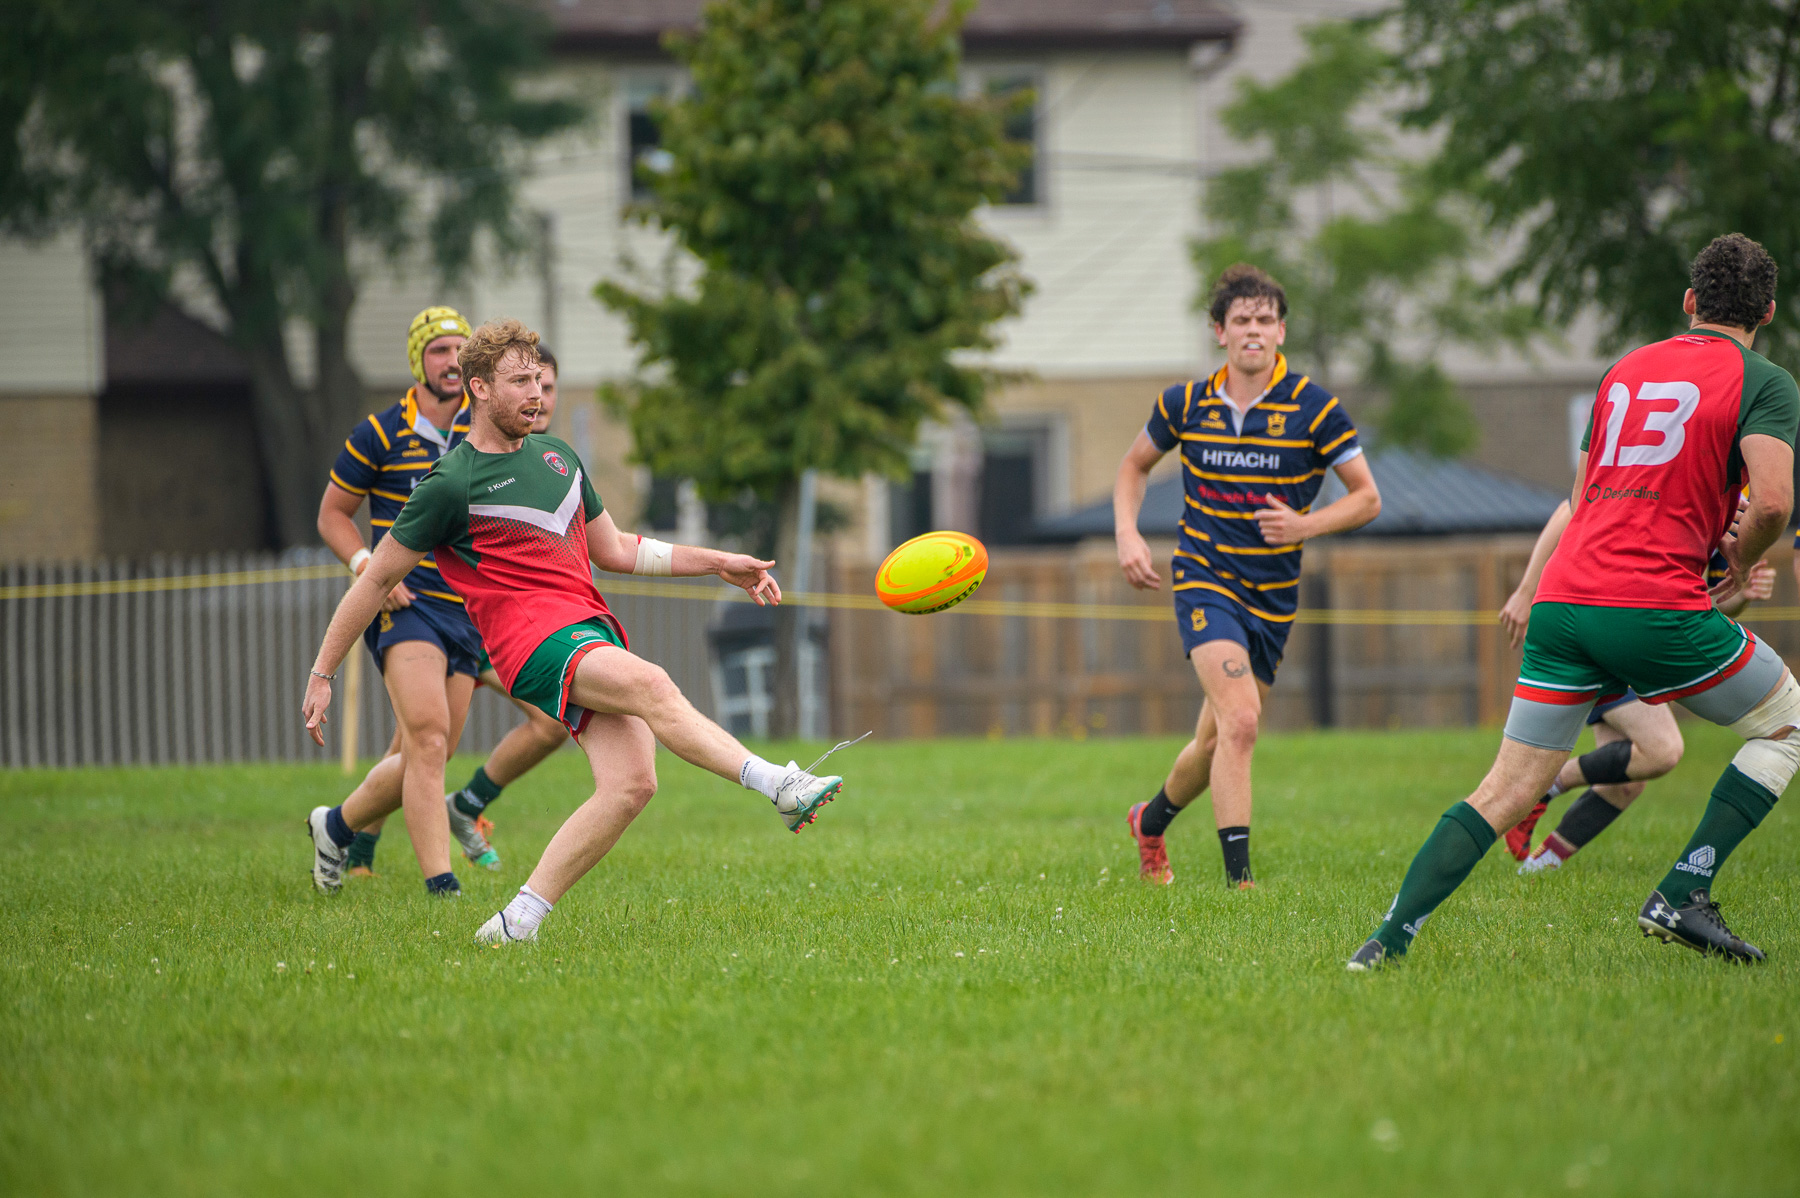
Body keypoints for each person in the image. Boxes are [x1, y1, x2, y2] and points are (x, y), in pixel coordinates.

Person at [303, 319, 848, 943]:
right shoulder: (451, 481)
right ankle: (779, 784)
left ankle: (517, 922)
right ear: (478, 388)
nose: (535, 393)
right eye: (519, 382)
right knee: (654, 683)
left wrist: (718, 561)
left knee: (632, 783)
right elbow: (373, 584)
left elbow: (616, 549)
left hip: (584, 629)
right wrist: (323, 672)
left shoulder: (560, 457)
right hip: (530, 644)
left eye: (539, 379)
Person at [1349, 233, 1799, 970]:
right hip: (1650, 604)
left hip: (1565, 599)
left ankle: (1385, 940)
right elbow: (1774, 502)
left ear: (1689, 303)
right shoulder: (1766, 381)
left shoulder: (1625, 369)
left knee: (1504, 788)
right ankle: (1683, 892)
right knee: (1788, 725)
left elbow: (1583, 495)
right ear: (1769, 313)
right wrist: (1742, 560)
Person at [1116, 265, 1381, 888]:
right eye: (1242, 320)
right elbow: (1133, 466)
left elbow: (1367, 499)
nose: (1254, 330)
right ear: (1220, 332)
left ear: (1281, 331)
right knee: (1241, 722)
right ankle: (1241, 885)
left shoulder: (1315, 408)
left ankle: (1149, 822)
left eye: (1265, 320)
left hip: (1273, 599)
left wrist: (1305, 526)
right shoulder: (1185, 403)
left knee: (1213, 745)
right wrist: (1128, 534)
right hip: (1205, 579)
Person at [1496, 503, 1776, 874]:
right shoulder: (1679, 465)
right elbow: (1571, 508)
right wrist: (1525, 591)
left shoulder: (1738, 504)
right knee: (1661, 750)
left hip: (1644, 628)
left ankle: (1536, 870)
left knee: (1624, 780)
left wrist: (1740, 593)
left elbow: (1704, 605)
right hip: (1607, 618)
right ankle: (1543, 788)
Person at [313, 306, 480, 895]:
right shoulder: (379, 432)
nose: (452, 361)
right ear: (418, 361)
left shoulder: (485, 431)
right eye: (439, 350)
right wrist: (367, 566)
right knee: (428, 739)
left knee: (424, 755)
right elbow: (333, 515)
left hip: (470, 613)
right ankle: (442, 883)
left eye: (461, 349)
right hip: (404, 609)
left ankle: (335, 826)